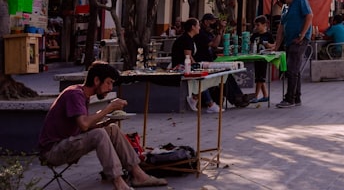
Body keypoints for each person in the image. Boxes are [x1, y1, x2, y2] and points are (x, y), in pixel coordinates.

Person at [38, 61, 167, 190]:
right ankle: (118, 183)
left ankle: (138, 175)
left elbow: (84, 127)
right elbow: (84, 125)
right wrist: (109, 108)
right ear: (96, 80)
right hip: (53, 151)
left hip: (67, 143)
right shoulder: (74, 94)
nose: (111, 88)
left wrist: (106, 123)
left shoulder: (82, 94)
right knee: (99, 134)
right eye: (108, 82)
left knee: (112, 129)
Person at [274, 0, 313, 108]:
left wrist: (302, 35)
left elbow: (309, 16)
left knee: (292, 68)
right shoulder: (285, 7)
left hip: (299, 40)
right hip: (290, 40)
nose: (280, 0)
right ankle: (296, 98)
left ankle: (289, 99)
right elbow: (281, 28)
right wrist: (276, 45)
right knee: (295, 69)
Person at [170, 18, 220, 113]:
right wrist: (196, 66)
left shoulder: (190, 39)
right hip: (180, 66)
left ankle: (195, 98)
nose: (199, 28)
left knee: (205, 77)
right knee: (201, 77)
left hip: (186, 65)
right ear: (193, 27)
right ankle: (210, 103)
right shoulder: (186, 39)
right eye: (198, 26)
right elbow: (188, 57)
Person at [248, 15, 275, 102]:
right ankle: (265, 95)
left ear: (264, 25)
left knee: (260, 77)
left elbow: (273, 45)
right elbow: (250, 43)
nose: (256, 27)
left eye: (258, 25)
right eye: (255, 25)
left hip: (264, 58)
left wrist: (268, 45)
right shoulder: (255, 35)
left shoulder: (268, 35)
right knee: (259, 77)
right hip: (256, 57)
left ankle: (255, 96)